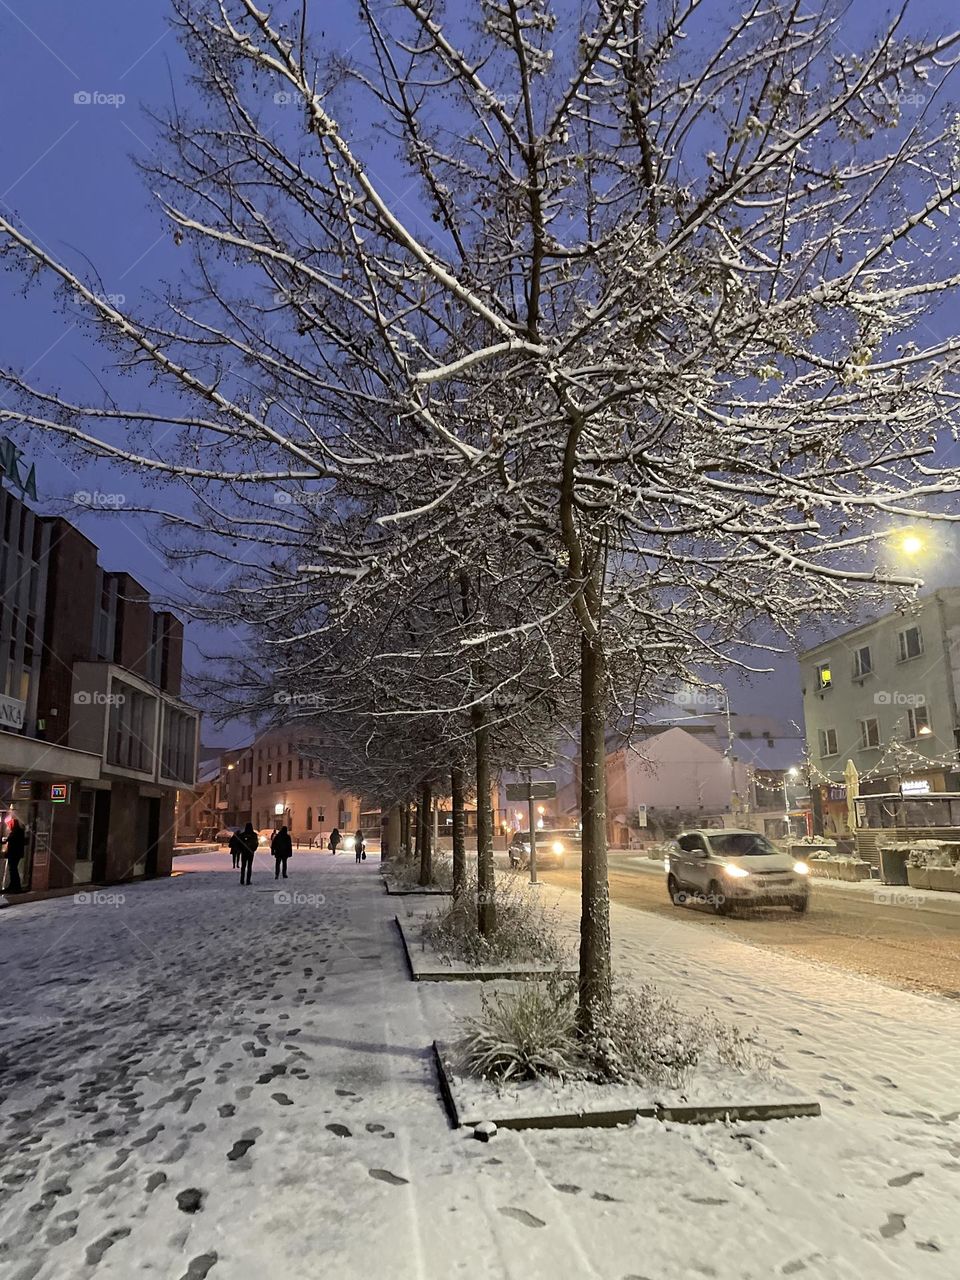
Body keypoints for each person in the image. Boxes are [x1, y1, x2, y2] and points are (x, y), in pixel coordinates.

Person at [3, 818, 26, 894]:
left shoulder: (16, 832)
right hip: (16, 854)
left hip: (14, 854)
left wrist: (6, 840)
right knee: (13, 870)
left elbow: (11, 840)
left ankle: (16, 886)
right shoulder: (19, 831)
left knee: (13, 870)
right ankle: (13, 886)